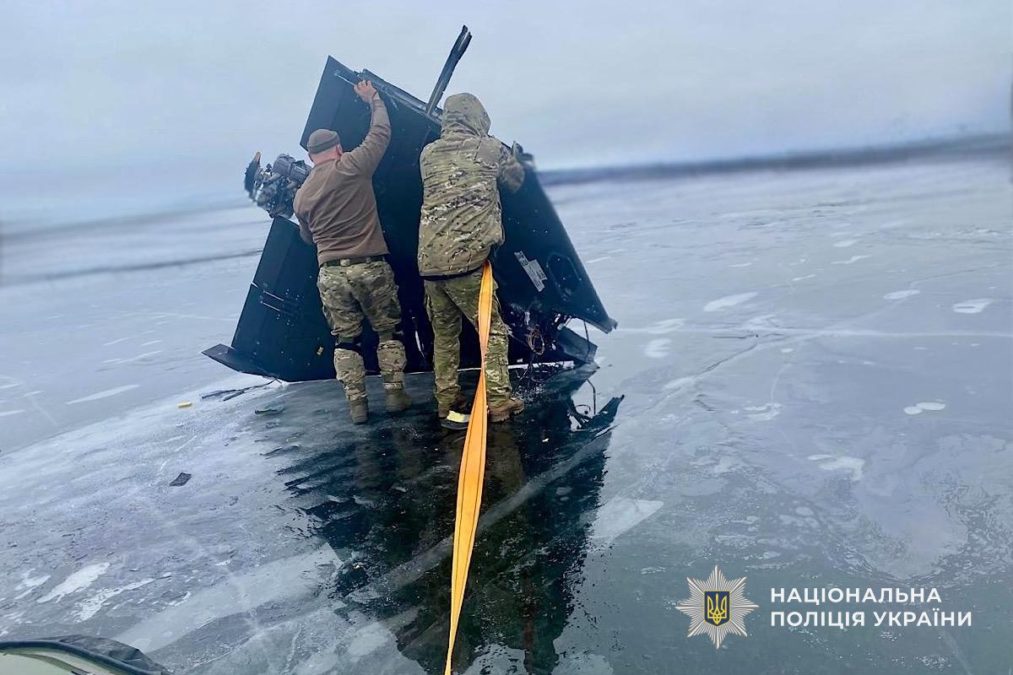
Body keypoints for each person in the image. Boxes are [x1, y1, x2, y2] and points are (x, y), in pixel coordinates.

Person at [294, 79, 410, 424]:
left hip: (330, 274)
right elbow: (380, 134)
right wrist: (372, 99)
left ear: (311, 157)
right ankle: (394, 395)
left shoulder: (301, 196)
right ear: (339, 148)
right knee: (388, 331)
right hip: (369, 267)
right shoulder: (352, 165)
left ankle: (357, 406)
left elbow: (307, 239)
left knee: (346, 340)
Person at [417, 92, 526, 429]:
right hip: (468, 263)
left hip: (431, 265)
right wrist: (515, 156)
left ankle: (446, 400)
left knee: (445, 336)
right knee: (492, 332)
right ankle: (499, 400)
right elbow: (516, 181)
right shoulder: (490, 149)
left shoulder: (428, 155)